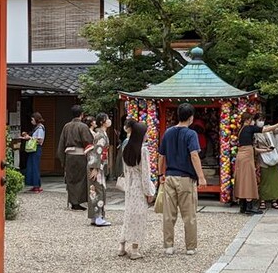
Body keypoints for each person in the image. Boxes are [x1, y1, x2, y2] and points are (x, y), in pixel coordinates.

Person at [158, 103, 207, 256]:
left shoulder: (168, 132)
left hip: (169, 177)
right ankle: (190, 247)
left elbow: (161, 156)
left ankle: (168, 246)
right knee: (189, 215)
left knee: (169, 214)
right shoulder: (191, 134)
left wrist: (160, 174)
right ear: (191, 118)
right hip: (186, 178)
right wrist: (201, 177)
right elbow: (194, 155)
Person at [235, 112, 278, 214]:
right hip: (246, 157)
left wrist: (266, 150)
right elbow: (265, 129)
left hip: (242, 156)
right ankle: (249, 207)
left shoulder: (241, 130)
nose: (254, 122)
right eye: (252, 120)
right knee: (248, 181)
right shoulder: (248, 128)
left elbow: (254, 148)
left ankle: (243, 206)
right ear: (247, 120)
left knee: (242, 181)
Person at [118, 121, 155, 260]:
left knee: (128, 215)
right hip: (139, 186)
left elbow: (125, 170)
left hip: (130, 184)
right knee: (139, 217)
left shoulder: (126, 147)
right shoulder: (143, 150)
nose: (147, 135)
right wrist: (149, 192)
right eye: (145, 132)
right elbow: (146, 174)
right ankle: (134, 249)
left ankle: (121, 246)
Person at [57, 105, 94, 210]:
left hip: (69, 156)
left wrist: (62, 159)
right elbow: (89, 141)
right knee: (81, 179)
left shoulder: (66, 126)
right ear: (82, 115)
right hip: (80, 156)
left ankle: (73, 201)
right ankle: (77, 201)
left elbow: (61, 144)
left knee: (71, 179)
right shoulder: (83, 127)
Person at [87, 113, 112, 226]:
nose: (109, 121)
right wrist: (95, 167)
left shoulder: (101, 133)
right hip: (97, 165)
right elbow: (98, 151)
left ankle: (95, 216)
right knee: (98, 190)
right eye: (107, 119)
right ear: (102, 121)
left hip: (99, 164)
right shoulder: (101, 135)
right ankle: (98, 217)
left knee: (95, 190)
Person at [21, 112, 46, 193]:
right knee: (31, 166)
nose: (31, 121)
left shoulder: (40, 128)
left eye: (32, 119)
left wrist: (30, 138)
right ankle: (34, 185)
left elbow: (40, 140)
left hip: (36, 149)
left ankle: (37, 186)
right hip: (34, 149)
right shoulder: (37, 128)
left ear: (36, 119)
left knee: (35, 167)